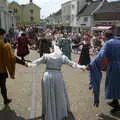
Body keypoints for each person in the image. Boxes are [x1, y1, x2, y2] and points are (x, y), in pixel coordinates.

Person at [27, 42, 86, 120]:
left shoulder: (47, 56)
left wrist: (27, 64)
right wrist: (81, 67)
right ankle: (59, 112)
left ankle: (49, 112)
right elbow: (72, 64)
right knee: (59, 94)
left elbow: (36, 62)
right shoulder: (62, 57)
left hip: (48, 76)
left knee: (48, 94)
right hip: (57, 76)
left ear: (52, 49)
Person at [87, 30, 120, 113]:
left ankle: (117, 106)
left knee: (113, 85)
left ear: (106, 37)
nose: (103, 39)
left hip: (114, 66)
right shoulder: (118, 41)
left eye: (103, 37)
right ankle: (115, 101)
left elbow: (100, 56)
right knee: (117, 85)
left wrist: (91, 65)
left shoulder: (108, 43)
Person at [0, 28, 15, 105]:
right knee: (2, 86)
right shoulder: (4, 45)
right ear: (2, 35)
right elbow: (11, 59)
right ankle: (5, 100)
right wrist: (23, 63)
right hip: (1, 70)